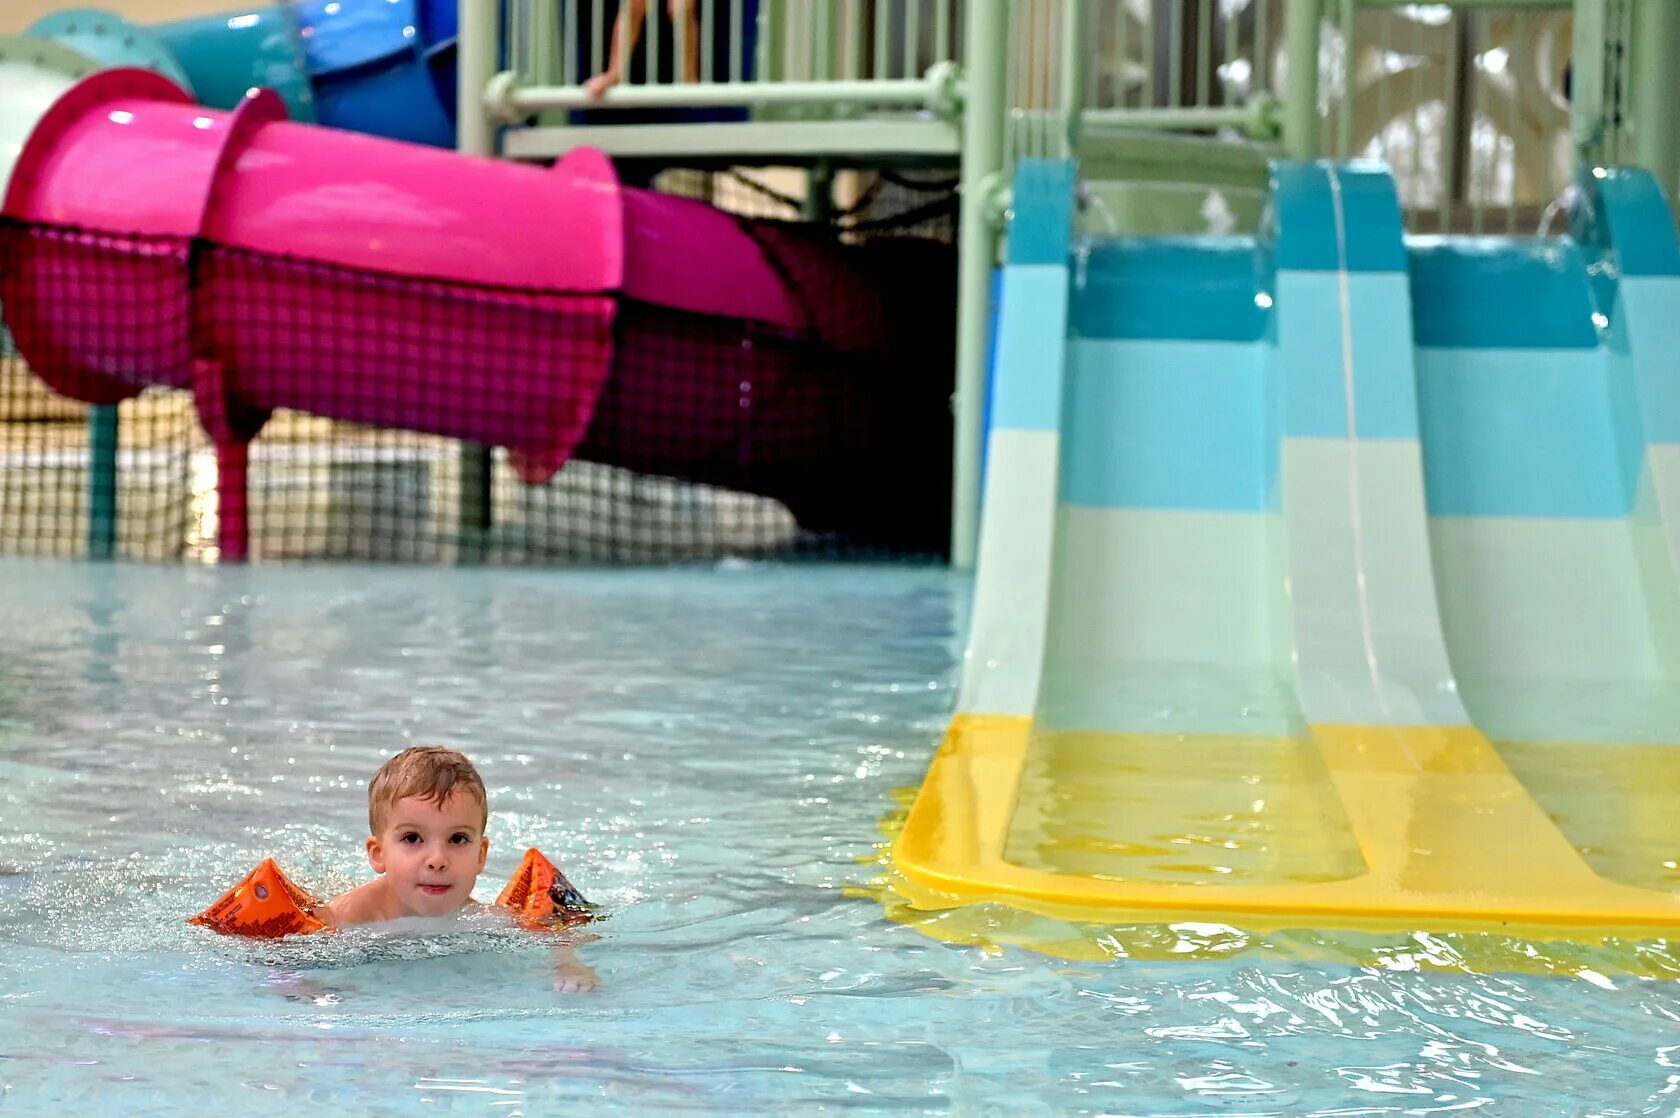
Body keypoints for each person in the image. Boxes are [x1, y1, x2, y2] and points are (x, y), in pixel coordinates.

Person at [320, 745, 600, 993]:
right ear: (378, 854)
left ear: (481, 855)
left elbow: (564, 934)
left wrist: (567, 964)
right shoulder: (345, 917)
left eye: (457, 839)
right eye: (412, 838)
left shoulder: (483, 920)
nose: (437, 859)